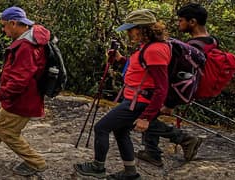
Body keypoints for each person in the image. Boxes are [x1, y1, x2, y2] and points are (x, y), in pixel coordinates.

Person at [74, 9, 170, 179]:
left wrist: (146, 117)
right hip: (134, 99)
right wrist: (120, 59)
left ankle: (98, 167)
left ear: (142, 28)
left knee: (101, 127)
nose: (128, 33)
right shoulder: (147, 48)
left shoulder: (154, 50)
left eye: (131, 29)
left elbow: (162, 87)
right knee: (120, 131)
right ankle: (130, 172)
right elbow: (140, 69)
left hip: (139, 101)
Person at [0, 6, 50, 176]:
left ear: (14, 23)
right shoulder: (32, 38)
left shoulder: (26, 47)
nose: (3, 29)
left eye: (4, 25)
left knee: (7, 131)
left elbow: (19, 81)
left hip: (23, 99)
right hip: (24, 97)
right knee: (4, 121)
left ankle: (36, 162)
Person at [135, 3, 207, 167]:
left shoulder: (196, 45)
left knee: (144, 116)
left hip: (173, 90)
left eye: (181, 20)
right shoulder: (204, 42)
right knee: (149, 115)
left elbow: (174, 73)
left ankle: (184, 139)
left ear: (193, 22)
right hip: (180, 88)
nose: (178, 24)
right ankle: (152, 151)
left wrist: (169, 102)